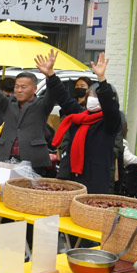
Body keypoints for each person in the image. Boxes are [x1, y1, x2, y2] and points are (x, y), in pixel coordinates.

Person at [0, 49, 66, 175]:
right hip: (6, 157)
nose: (19, 90)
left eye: (23, 87)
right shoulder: (9, 103)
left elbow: (52, 93)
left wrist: (50, 74)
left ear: (34, 88)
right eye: (17, 86)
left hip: (34, 160)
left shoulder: (41, 105)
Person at [53, 53, 121, 194]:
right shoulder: (81, 116)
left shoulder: (109, 122)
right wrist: (51, 74)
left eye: (96, 96)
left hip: (96, 181)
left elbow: (110, 107)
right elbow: (64, 99)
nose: (91, 98)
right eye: (89, 95)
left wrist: (102, 79)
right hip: (73, 178)